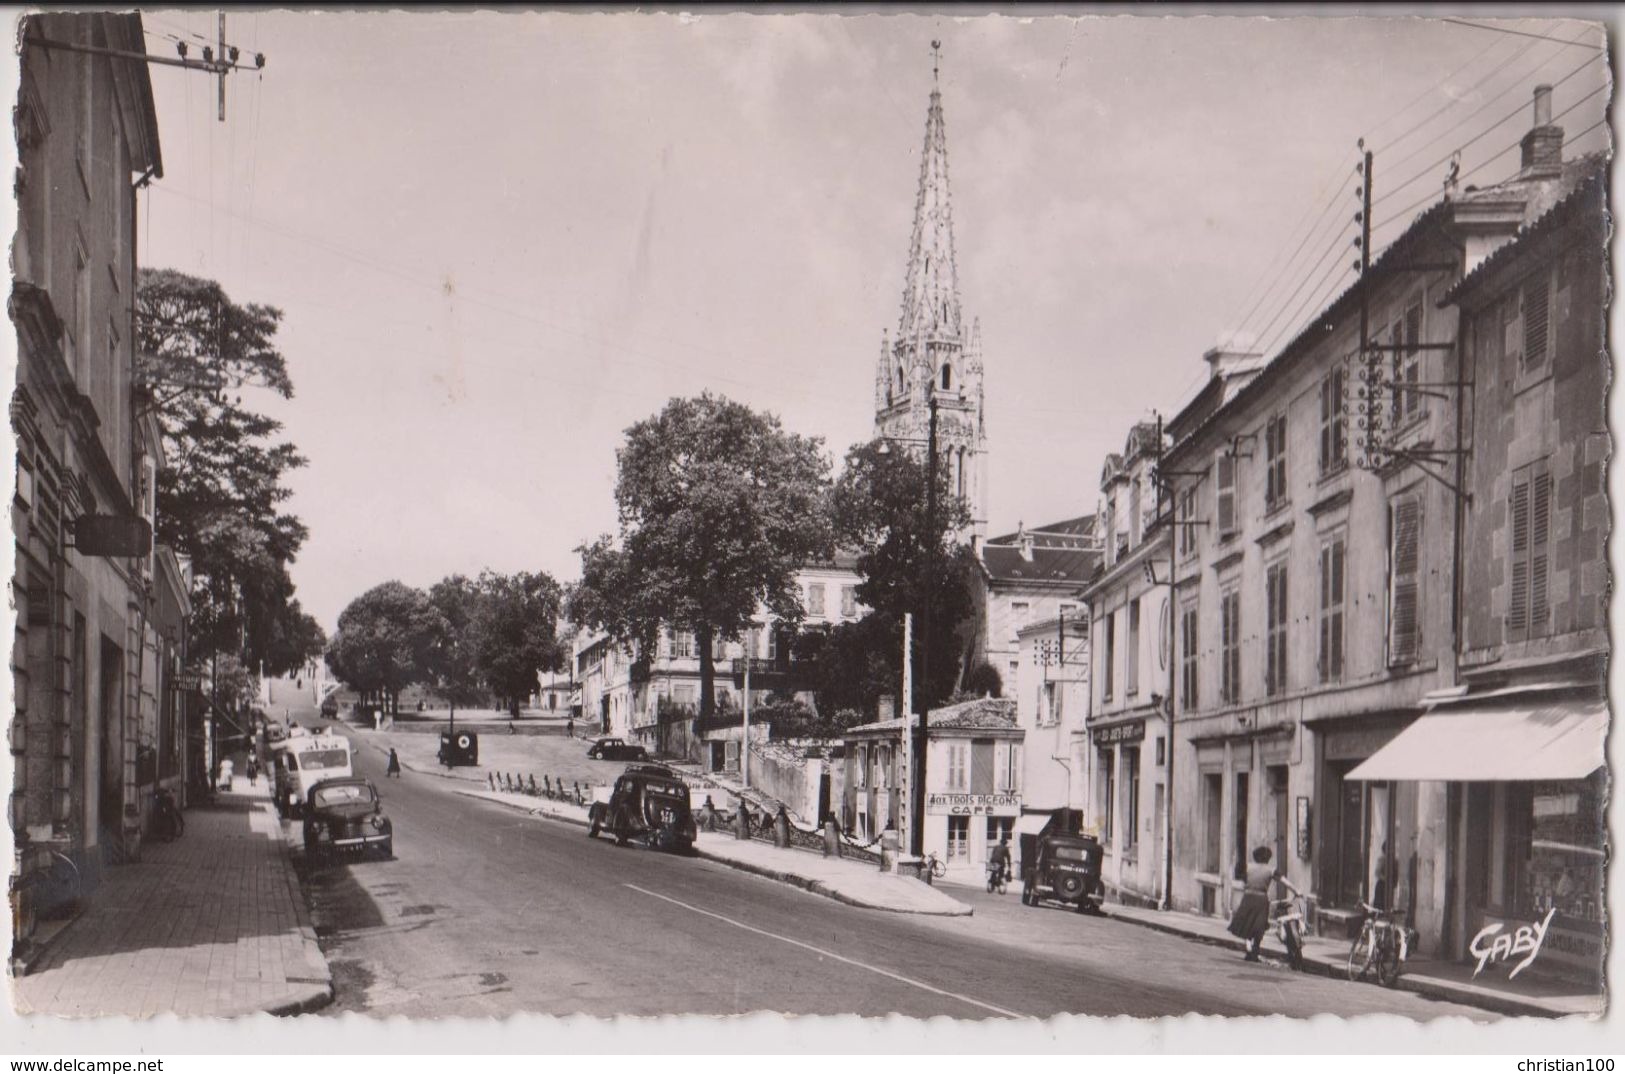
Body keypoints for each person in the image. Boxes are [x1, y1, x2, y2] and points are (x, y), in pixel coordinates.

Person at [1228, 845, 1299, 962]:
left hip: (1248, 897)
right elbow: (1285, 882)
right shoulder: (1271, 870)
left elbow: (1242, 882)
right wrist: (1297, 891)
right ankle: (1255, 950)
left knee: (1247, 924)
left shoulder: (1248, 867)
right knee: (1259, 926)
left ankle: (1249, 949)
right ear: (1268, 858)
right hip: (1261, 900)